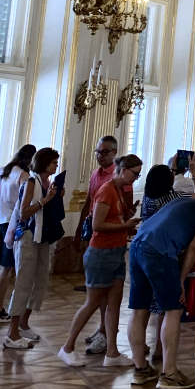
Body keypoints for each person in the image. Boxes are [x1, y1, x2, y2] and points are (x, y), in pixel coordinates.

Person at [127, 195, 195, 389]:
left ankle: (140, 369)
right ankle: (169, 374)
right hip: (159, 251)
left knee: (139, 309)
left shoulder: (185, 202)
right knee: (173, 310)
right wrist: (181, 280)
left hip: (137, 245)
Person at [58, 154, 142, 367]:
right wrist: (124, 226)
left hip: (116, 251)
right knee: (93, 302)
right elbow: (97, 225)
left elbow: (113, 219)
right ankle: (67, 347)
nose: (136, 178)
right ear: (123, 170)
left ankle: (112, 352)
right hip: (101, 253)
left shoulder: (119, 191)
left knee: (114, 304)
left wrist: (126, 221)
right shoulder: (106, 190)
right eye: (135, 174)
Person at [3, 147, 62, 350]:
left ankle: (24, 322)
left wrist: (56, 197)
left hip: (43, 236)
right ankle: (11, 332)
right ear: (44, 163)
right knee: (23, 282)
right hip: (28, 236)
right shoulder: (31, 182)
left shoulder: (47, 183)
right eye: (53, 162)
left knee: (41, 280)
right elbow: (24, 213)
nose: (56, 166)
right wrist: (45, 200)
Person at [75, 134, 118, 356]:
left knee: (103, 292)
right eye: (98, 152)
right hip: (93, 231)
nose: (100, 156)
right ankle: (101, 330)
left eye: (105, 152)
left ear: (114, 153)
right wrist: (79, 228)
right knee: (96, 290)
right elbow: (89, 201)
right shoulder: (95, 174)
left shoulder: (117, 178)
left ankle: (103, 331)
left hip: (108, 237)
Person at [0, 143, 35, 324]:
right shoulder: (23, 176)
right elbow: (24, 203)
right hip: (10, 224)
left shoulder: (1, 171)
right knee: (5, 269)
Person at [138, 164, 181, 364]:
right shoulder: (171, 199)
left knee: (144, 304)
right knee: (164, 304)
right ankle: (158, 349)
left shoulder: (147, 198)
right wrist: (194, 173)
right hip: (163, 251)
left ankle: (139, 346)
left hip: (143, 250)